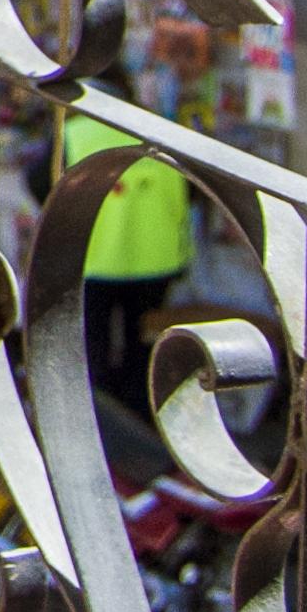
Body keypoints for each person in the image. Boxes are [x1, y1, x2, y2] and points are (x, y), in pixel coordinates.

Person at [56, 104, 194, 415]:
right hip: (157, 258)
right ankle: (142, 411)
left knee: (94, 343)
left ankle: (100, 414)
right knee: (142, 344)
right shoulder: (167, 135)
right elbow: (195, 191)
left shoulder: (74, 134)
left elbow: (42, 181)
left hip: (96, 255)